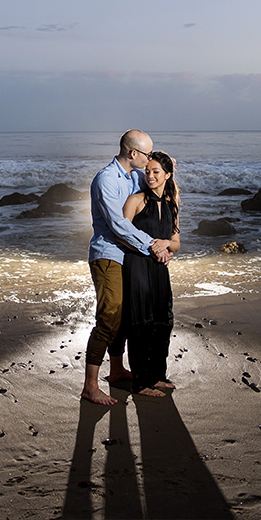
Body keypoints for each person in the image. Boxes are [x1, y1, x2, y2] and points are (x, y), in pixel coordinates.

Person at [82, 130, 173, 406]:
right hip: (108, 254)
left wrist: (167, 167)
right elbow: (119, 226)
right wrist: (154, 245)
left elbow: (156, 187)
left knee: (125, 316)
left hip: (129, 256)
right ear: (133, 153)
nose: (148, 162)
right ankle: (90, 386)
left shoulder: (134, 177)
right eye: (147, 155)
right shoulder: (106, 179)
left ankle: (117, 369)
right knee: (109, 316)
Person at [121, 151, 181, 397]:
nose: (151, 176)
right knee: (141, 323)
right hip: (137, 266)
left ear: (167, 174)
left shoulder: (172, 205)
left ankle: (157, 376)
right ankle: (141, 382)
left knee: (163, 321)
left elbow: (176, 242)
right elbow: (122, 235)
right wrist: (151, 248)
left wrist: (165, 245)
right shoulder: (135, 200)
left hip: (160, 268)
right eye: (147, 171)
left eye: (156, 172)